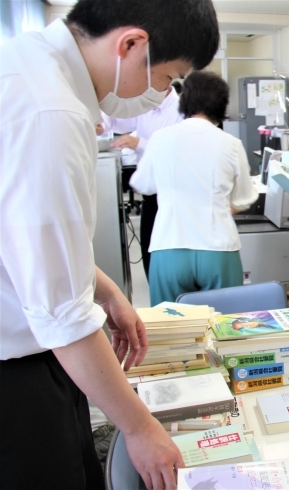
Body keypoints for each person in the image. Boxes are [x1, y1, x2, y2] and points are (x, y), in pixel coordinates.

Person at [0, 1, 219, 489]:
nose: (163, 92)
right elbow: (60, 313)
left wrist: (106, 290)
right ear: (131, 45)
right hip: (17, 373)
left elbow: (22, 239)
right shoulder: (49, 112)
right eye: (169, 76)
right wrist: (141, 427)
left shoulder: (24, 65)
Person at [130, 71, 257, 305]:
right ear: (221, 105)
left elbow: (142, 184)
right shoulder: (231, 144)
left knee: (171, 328)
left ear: (184, 100)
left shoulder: (160, 138)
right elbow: (243, 199)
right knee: (225, 325)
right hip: (217, 248)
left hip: (169, 246)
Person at [100, 85, 184, 278]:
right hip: (150, 195)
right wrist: (101, 124)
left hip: (172, 196)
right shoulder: (145, 107)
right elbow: (115, 119)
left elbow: (179, 151)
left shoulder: (181, 110)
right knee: (148, 254)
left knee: (169, 257)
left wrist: (139, 143)